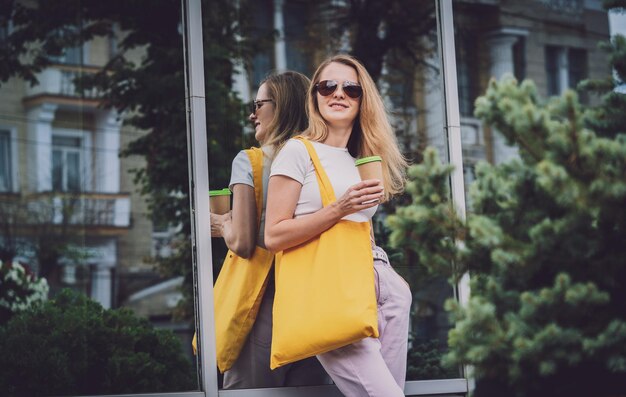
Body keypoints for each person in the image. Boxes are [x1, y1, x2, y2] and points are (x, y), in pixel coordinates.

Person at [265, 55, 412, 396]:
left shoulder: (358, 160)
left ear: (364, 100)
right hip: (332, 296)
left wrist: (389, 279)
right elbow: (274, 235)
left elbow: (358, 230)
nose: (338, 94)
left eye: (351, 88)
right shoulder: (298, 152)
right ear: (314, 96)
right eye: (327, 86)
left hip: (382, 293)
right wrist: (339, 207)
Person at [210, 71, 330, 389]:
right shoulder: (321, 162)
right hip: (314, 303)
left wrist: (222, 223)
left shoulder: (250, 162)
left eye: (258, 104)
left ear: (281, 107)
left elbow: (245, 242)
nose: (252, 114)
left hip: (262, 304)